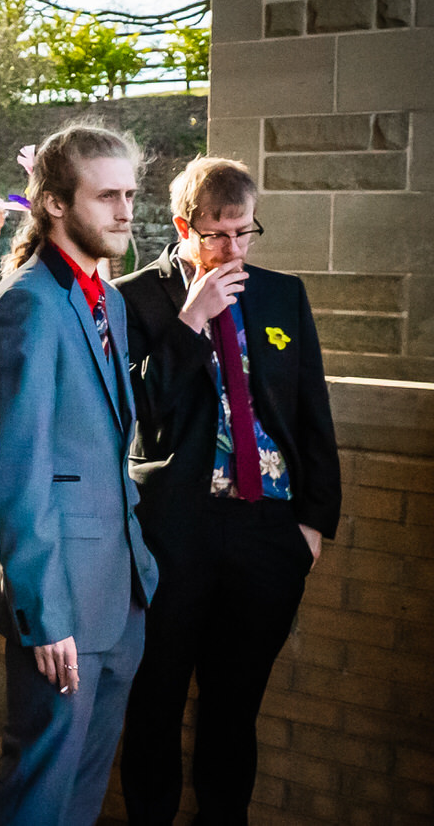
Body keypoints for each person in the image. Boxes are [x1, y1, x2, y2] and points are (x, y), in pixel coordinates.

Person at [115, 158, 340, 826]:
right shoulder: (134, 298)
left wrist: (312, 526)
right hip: (174, 532)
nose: (235, 249)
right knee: (153, 702)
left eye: (246, 232)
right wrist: (190, 321)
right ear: (185, 227)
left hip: (266, 533)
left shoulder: (282, 295)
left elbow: (310, 412)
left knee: (234, 708)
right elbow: (135, 413)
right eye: (218, 234)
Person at [0, 124, 159, 826]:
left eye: (130, 195)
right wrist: (46, 614)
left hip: (119, 594)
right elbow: (17, 477)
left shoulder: (106, 300)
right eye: (106, 195)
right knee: (39, 793)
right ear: (54, 203)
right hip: (61, 608)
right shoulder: (25, 304)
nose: (123, 211)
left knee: (79, 795)